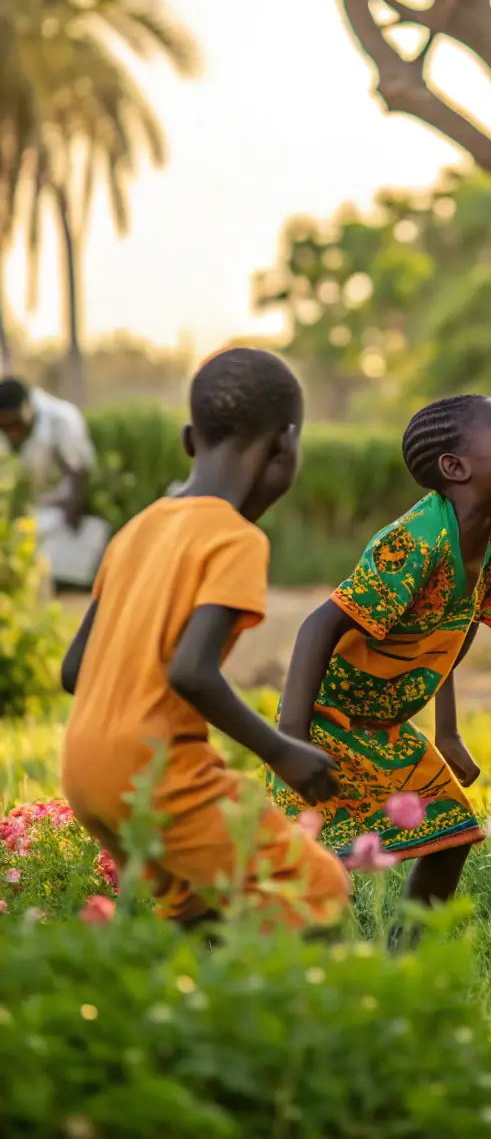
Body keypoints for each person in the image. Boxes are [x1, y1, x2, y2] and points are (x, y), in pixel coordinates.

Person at [59, 347, 349, 930]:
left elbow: (73, 671)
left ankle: (178, 1016)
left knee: (199, 913)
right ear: (285, 446)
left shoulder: (135, 530)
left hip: (84, 769)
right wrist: (282, 750)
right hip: (153, 768)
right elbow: (191, 671)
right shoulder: (235, 539)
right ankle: (327, 1019)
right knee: (317, 889)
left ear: (191, 440)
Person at [268, 394, 491, 911]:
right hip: (327, 720)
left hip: (387, 727)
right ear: (455, 468)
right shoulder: (418, 540)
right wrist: (291, 743)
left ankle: (408, 950)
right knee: (310, 865)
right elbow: (318, 626)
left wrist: (448, 731)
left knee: (452, 836)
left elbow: (444, 644)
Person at [0, 376, 107, 587]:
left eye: (14, 423)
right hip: (24, 511)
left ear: (27, 408)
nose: (11, 431)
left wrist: (72, 516)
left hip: (60, 512)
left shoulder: (61, 419)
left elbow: (79, 472)